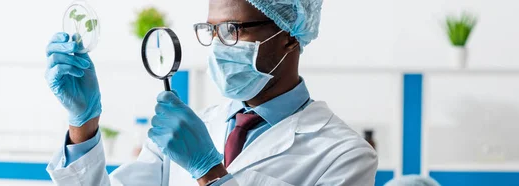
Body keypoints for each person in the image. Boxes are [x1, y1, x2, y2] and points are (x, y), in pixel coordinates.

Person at [45, 0, 378, 185]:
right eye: (212, 31)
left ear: (289, 35)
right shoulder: (186, 131)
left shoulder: (345, 156)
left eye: (232, 30)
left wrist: (209, 172)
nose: (219, 46)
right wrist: (83, 125)